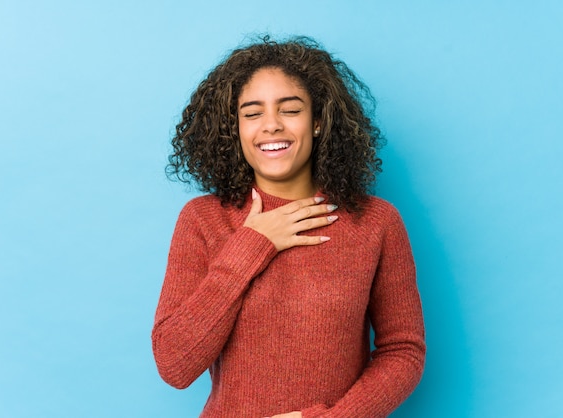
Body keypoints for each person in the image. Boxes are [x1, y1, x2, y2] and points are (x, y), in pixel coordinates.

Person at [152, 36, 425, 418]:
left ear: (317, 122)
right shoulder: (203, 219)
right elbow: (175, 365)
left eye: (290, 110)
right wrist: (252, 244)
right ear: (235, 130)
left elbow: (403, 351)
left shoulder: (376, 222)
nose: (271, 126)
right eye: (252, 113)